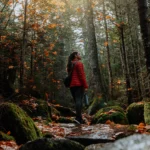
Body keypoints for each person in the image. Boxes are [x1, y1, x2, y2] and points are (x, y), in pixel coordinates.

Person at [66, 51, 88, 124]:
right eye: (79, 54)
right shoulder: (79, 63)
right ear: (76, 55)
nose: (80, 55)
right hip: (78, 85)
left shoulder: (70, 64)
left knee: (77, 101)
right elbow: (81, 76)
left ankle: (79, 118)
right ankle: (78, 118)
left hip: (72, 86)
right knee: (79, 101)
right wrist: (85, 85)